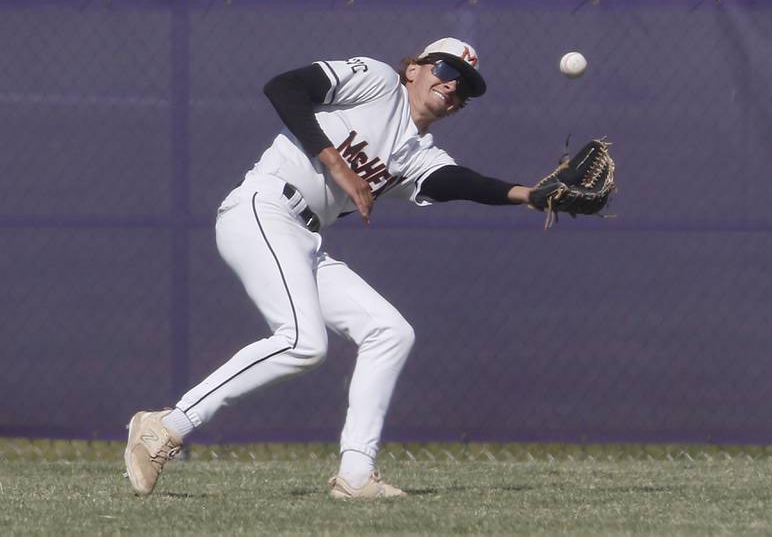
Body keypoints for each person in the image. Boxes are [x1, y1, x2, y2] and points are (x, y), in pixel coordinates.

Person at [124, 37, 536, 498]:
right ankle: (166, 426)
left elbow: (460, 182)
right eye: (446, 69)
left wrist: (531, 195)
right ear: (415, 69)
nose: (453, 85)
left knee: (390, 331)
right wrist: (337, 164)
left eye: (465, 87)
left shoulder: (420, 155)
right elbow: (284, 87)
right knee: (302, 342)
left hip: (303, 236)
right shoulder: (378, 81)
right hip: (263, 206)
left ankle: (356, 476)